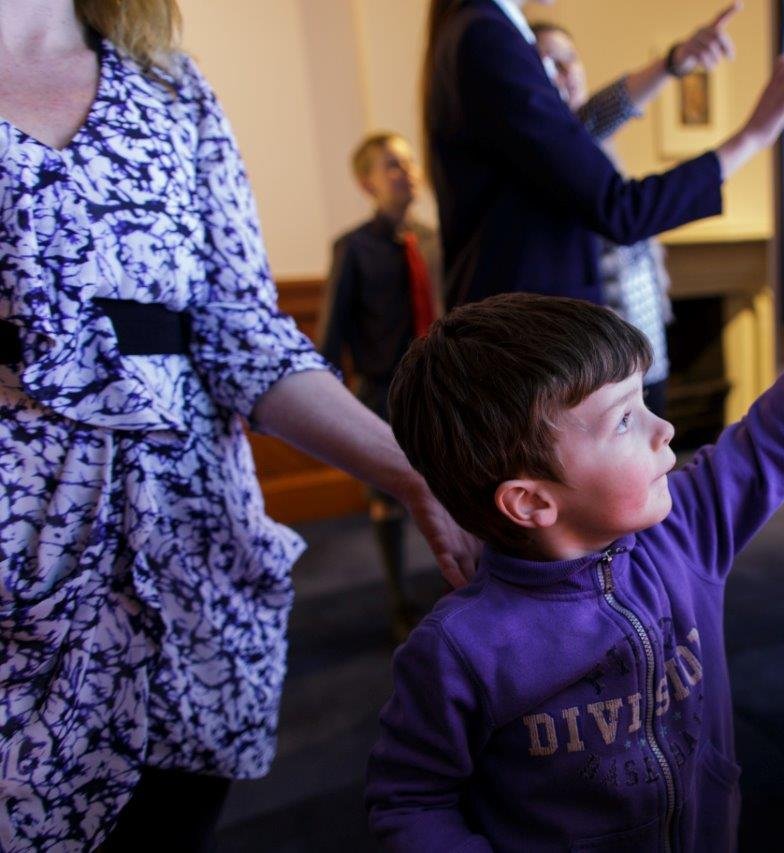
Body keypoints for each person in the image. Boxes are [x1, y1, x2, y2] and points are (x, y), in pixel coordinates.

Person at [0, 2, 476, 850]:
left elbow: (242, 331)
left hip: (191, 554)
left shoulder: (165, 82)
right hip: (24, 579)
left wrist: (415, 473)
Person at [365, 191, 784, 850]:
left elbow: (772, 437)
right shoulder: (457, 651)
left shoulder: (680, 536)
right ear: (532, 502)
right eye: (625, 419)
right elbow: (409, 802)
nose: (666, 429)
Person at [423, 0, 784, 308]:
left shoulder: (474, 29)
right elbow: (620, 208)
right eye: (548, 67)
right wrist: (752, 138)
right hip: (531, 338)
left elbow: (591, 118)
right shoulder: (486, 35)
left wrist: (672, 63)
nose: (562, 74)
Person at [533, 18, 725, 416]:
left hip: (644, 341)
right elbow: (606, 110)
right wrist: (673, 62)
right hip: (606, 356)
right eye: (549, 62)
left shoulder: (589, 144)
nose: (566, 72)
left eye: (570, 59)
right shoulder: (555, 145)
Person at [318, 132, 443, 640]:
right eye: (392, 165)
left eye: (410, 162)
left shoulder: (433, 240)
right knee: (388, 498)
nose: (406, 172)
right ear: (366, 182)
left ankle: (454, 584)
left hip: (438, 387)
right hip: (382, 392)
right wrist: (334, 404)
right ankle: (398, 601)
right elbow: (331, 333)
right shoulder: (352, 248)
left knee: (451, 490)